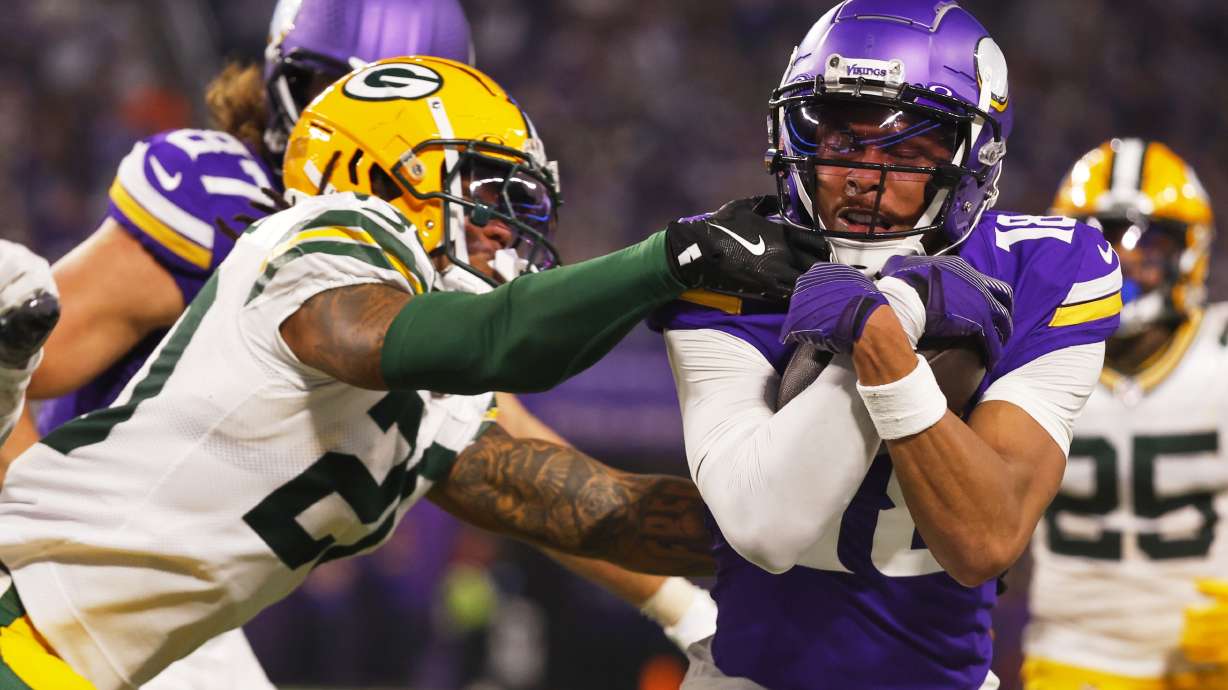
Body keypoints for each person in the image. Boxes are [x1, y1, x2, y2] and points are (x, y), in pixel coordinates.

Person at [0, 55, 819, 690]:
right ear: (384, 172)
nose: (507, 230)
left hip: (72, 657)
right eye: (492, 190)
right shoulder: (322, 241)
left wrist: (823, 527)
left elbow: (596, 511)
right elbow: (491, 342)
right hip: (22, 621)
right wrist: (670, 259)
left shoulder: (426, 388)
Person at [649, 1, 1123, 687]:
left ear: (975, 159)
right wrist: (895, 318)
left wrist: (876, 330)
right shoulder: (729, 263)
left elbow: (984, 539)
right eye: (840, 140)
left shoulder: (1048, 268)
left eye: (907, 151)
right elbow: (765, 524)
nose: (863, 175)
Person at [1022, 138, 1228, 690]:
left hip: (1213, 653)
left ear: (1190, 252)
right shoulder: (1027, 356)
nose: (1123, 260)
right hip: (1077, 653)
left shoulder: (1219, 354)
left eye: (1148, 242)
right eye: (1101, 240)